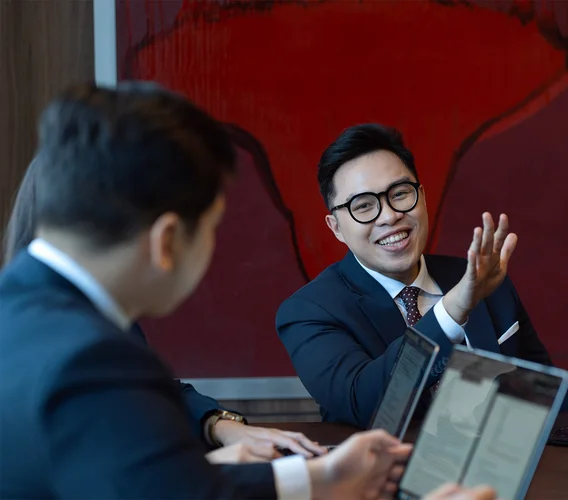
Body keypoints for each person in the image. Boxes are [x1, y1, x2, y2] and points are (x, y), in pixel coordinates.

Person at [0, 82, 423, 499]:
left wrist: (320, 478)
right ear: (167, 240)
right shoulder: (91, 360)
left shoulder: (20, 311)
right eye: (211, 228)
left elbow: (153, 485)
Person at [2, 154, 325, 461]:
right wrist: (223, 468)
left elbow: (147, 390)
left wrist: (219, 425)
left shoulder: (92, 312)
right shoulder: (52, 336)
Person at [276, 123, 568, 427]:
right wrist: (451, 312)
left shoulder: (483, 278)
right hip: (392, 476)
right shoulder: (308, 312)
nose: (389, 216)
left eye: (399, 194)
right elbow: (363, 403)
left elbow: (547, 396)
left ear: (422, 197)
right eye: (364, 206)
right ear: (336, 228)